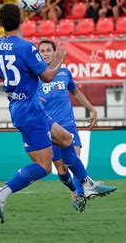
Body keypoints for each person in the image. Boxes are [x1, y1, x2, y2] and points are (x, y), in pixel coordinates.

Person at [0, 4, 117, 223]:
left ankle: (86, 183)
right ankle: (1, 193)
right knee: (43, 167)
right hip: (30, 111)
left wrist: (10, 70)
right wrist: (58, 60)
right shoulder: (26, 47)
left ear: (0, 23)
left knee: (66, 138)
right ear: (21, 20)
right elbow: (47, 77)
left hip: (24, 107)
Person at [37, 40, 101, 210]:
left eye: (48, 50)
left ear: (54, 52)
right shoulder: (34, 77)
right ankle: (74, 189)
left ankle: (80, 195)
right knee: (62, 171)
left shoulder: (65, 73)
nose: (45, 53)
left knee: (74, 159)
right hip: (50, 129)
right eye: (42, 51)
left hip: (68, 125)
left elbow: (75, 92)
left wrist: (92, 109)